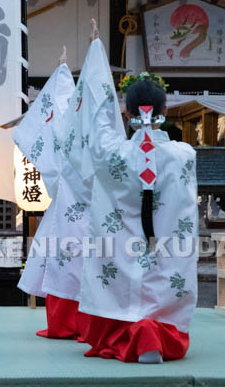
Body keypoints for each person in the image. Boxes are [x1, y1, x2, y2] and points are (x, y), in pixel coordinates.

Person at [55, 29, 198, 363]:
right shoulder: (184, 155)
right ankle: (156, 333)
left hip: (124, 250)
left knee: (121, 267)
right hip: (164, 247)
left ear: (129, 112)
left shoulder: (113, 154)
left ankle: (133, 332)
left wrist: (96, 56)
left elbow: (98, 120)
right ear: (164, 108)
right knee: (166, 269)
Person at [14, 58, 91, 339]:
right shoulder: (91, 130)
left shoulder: (60, 129)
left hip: (67, 208)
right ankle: (84, 325)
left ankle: (64, 325)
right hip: (81, 208)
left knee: (64, 265)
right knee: (78, 267)